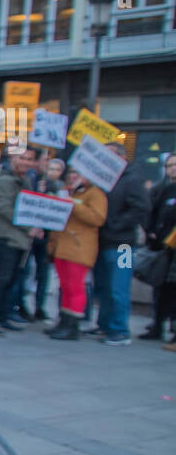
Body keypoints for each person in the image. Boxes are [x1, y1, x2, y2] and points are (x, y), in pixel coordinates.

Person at [87, 141, 151, 346]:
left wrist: (115, 225)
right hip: (103, 242)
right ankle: (105, 324)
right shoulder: (103, 178)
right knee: (104, 287)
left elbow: (141, 208)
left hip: (123, 245)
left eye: (109, 155)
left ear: (122, 157)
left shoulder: (132, 179)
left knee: (118, 288)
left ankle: (120, 330)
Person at [0, 147, 43, 334]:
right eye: (22, 158)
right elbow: (5, 208)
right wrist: (29, 227)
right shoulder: (4, 180)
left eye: (30, 159)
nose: (26, 162)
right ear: (13, 158)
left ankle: (2, 316)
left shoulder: (24, 179)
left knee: (11, 279)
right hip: (6, 236)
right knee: (1, 278)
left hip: (18, 237)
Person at [45, 170, 107, 341]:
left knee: (75, 287)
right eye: (72, 172)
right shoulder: (71, 191)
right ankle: (65, 322)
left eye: (80, 173)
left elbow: (97, 218)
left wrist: (73, 203)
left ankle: (73, 326)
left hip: (78, 247)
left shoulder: (96, 194)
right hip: (62, 246)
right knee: (65, 286)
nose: (75, 176)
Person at [141, 154, 176, 343]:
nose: (172, 168)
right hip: (163, 248)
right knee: (162, 289)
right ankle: (158, 325)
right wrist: (151, 231)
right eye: (169, 165)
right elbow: (150, 212)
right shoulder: (163, 189)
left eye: (175, 165)